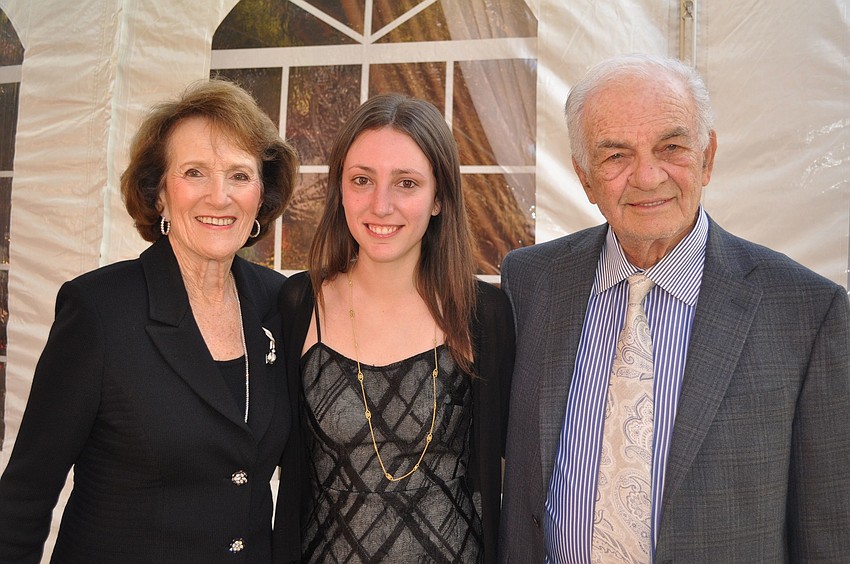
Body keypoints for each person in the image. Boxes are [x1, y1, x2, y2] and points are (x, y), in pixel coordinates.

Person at [498, 54, 850, 563]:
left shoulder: (806, 312)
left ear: (707, 157)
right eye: (615, 155)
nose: (647, 176)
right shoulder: (530, 282)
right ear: (584, 176)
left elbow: (830, 532)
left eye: (671, 147)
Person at [0, 79, 298, 563]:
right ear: (159, 192)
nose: (219, 197)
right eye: (195, 172)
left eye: (240, 175)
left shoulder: (279, 303)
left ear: (262, 197)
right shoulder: (98, 311)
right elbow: (24, 498)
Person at [273, 93, 515, 563]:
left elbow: (515, 470)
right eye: (361, 180)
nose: (380, 205)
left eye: (406, 183)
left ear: (439, 198)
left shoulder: (485, 314)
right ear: (339, 189)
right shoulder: (298, 305)